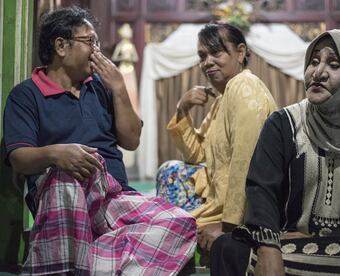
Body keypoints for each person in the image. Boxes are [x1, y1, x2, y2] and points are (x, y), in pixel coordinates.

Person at [3, 6, 196, 275]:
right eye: (90, 41)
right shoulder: (26, 95)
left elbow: (131, 140)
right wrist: (56, 154)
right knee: (64, 180)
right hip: (61, 200)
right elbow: (18, 158)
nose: (97, 50)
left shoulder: (102, 87)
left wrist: (119, 87)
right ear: (61, 46)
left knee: (178, 222)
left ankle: (89, 261)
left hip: (113, 196)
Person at [210, 30, 340, 275]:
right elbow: (261, 191)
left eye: (334, 64)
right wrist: (268, 247)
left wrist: (317, 237)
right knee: (227, 247)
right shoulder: (283, 123)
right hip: (284, 242)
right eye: (314, 62)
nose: (318, 72)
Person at [156, 22, 277, 251]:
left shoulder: (244, 87)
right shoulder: (224, 96)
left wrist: (228, 227)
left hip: (234, 214)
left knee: (150, 232)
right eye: (202, 55)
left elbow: (247, 163)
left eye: (216, 52)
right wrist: (182, 109)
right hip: (215, 204)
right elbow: (198, 154)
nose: (207, 62)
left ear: (240, 53)